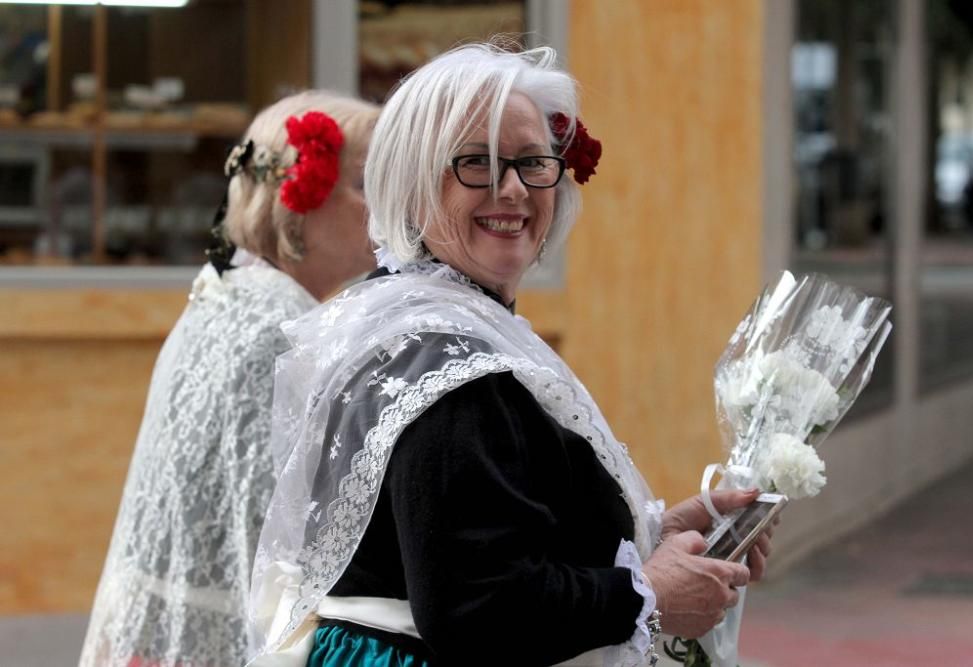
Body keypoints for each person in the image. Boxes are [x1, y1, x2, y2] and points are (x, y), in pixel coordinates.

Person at [249, 44, 771, 667]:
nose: (513, 188)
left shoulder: (413, 312)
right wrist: (649, 594)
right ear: (412, 189)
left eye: (531, 162)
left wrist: (652, 532)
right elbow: (476, 606)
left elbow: (493, 521)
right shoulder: (444, 356)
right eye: (476, 163)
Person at [78, 90, 381, 667]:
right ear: (300, 198)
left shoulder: (231, 297)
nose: (386, 205)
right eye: (365, 184)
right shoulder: (277, 331)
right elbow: (278, 543)